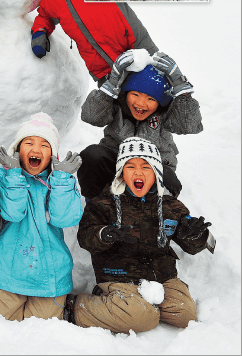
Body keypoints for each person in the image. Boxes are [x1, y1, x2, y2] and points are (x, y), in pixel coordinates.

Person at [67, 138, 213, 332]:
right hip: (119, 275)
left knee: (185, 314)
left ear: (156, 173)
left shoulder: (171, 207)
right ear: (121, 172)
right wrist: (103, 234)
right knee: (142, 318)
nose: (138, 172)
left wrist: (194, 235)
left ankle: (125, 307)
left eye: (146, 167)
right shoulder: (104, 204)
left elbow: (193, 247)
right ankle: (77, 306)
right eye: (130, 167)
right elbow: (86, 237)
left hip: (162, 277)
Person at [0, 113, 83, 321]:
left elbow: (64, 218)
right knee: (4, 332)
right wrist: (13, 175)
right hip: (9, 274)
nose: (36, 150)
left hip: (51, 278)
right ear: (17, 149)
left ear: (53, 154)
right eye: (29, 143)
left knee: (43, 336)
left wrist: (61, 179)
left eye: (44, 145)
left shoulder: (60, 181)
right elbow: (12, 213)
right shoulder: (4, 177)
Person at [78, 49, 200, 200]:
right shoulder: (116, 106)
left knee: (169, 181)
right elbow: (90, 116)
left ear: (159, 103)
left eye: (150, 99)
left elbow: (189, 125)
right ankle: (96, 205)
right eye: (135, 95)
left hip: (152, 166)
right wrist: (111, 83)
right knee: (93, 155)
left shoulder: (165, 113)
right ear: (126, 94)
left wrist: (182, 88)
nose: (141, 104)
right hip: (117, 161)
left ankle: (149, 213)